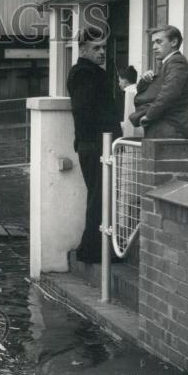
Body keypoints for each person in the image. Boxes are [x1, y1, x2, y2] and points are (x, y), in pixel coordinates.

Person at [67, 29, 121, 264]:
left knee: (101, 196)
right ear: (82, 49)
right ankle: (91, 250)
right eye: (96, 48)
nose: (102, 53)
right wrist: (102, 138)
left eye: (104, 48)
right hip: (95, 144)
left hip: (95, 143)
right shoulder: (84, 74)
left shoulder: (89, 73)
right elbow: (85, 110)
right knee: (100, 196)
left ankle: (95, 249)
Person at [128, 25, 188, 149]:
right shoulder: (167, 63)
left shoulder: (177, 62)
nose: (154, 47)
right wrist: (145, 82)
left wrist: (149, 115)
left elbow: (169, 93)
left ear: (174, 42)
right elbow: (155, 92)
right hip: (164, 126)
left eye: (159, 42)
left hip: (170, 126)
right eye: (153, 43)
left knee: (164, 167)